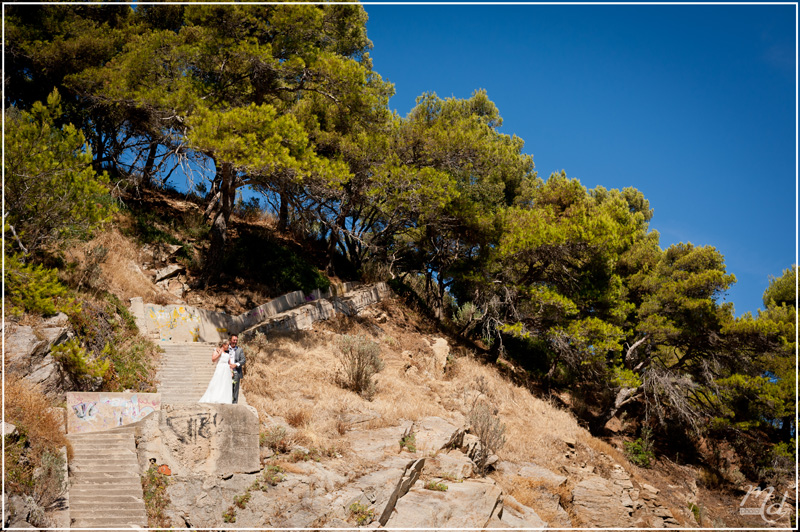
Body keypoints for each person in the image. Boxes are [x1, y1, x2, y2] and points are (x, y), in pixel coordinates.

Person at [198, 340, 233, 404]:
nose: (228, 346)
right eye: (227, 345)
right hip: (220, 369)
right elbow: (213, 359)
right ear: (223, 345)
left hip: (226, 370)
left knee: (225, 384)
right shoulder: (217, 351)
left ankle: (224, 399)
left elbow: (229, 363)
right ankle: (216, 397)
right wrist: (219, 355)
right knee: (217, 382)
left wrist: (231, 371)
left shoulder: (227, 353)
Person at [228, 334, 245, 404]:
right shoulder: (226, 348)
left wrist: (236, 365)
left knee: (235, 389)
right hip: (227, 371)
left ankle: (234, 403)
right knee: (227, 388)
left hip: (236, 372)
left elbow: (243, 360)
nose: (235, 342)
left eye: (236, 340)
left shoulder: (240, 350)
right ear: (230, 340)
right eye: (234, 340)